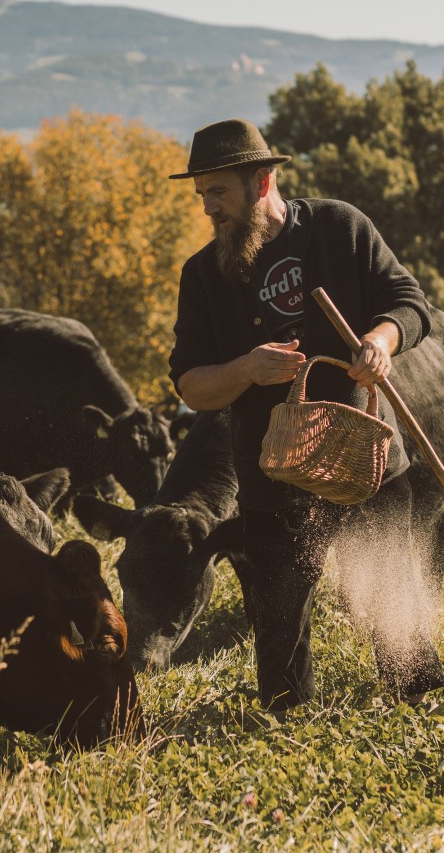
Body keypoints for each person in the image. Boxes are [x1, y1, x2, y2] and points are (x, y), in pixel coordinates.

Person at [168, 117, 444, 710]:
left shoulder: (338, 229)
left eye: (218, 191)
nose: (208, 208)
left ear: (262, 181)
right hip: (273, 474)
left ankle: (414, 709)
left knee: (397, 604)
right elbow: (191, 384)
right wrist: (244, 369)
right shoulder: (203, 276)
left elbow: (409, 303)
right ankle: (288, 727)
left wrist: (380, 342)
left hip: (368, 459)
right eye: (202, 195)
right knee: (280, 627)